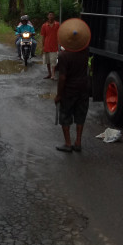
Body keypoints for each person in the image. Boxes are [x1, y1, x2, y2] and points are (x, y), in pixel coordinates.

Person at [54, 18, 91, 153]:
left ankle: (68, 143)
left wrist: (59, 95)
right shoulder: (85, 52)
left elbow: (62, 77)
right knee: (81, 115)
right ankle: (78, 142)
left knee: (65, 115)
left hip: (69, 90)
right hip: (84, 87)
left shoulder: (64, 56)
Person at [40, 11, 60, 80]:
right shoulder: (44, 25)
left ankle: (53, 75)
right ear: (47, 16)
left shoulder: (57, 25)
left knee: (53, 61)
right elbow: (43, 37)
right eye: (49, 15)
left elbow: (60, 34)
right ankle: (49, 74)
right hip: (46, 46)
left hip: (54, 46)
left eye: (52, 15)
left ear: (54, 16)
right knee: (47, 61)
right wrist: (42, 47)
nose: (50, 16)